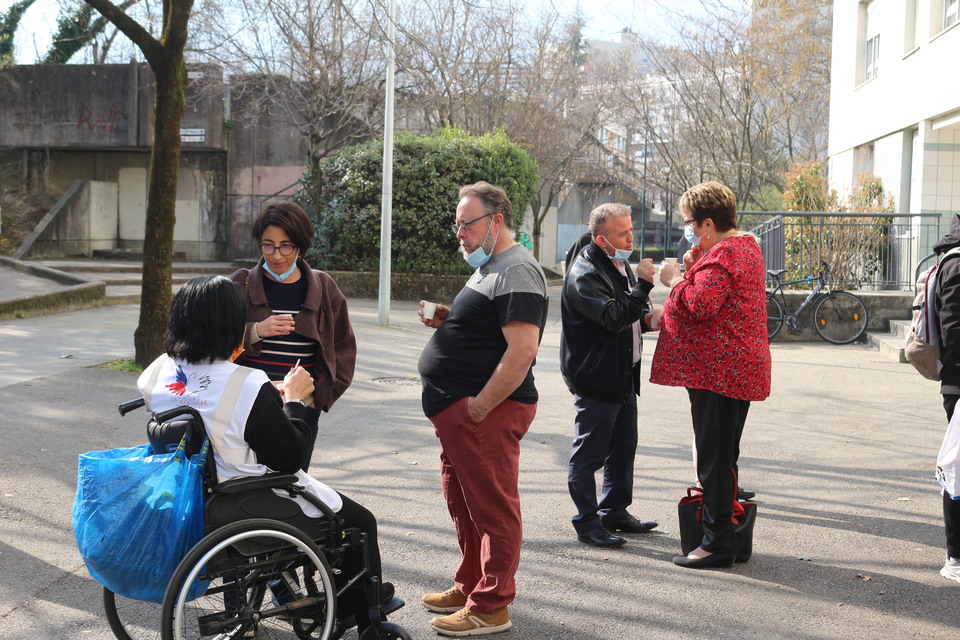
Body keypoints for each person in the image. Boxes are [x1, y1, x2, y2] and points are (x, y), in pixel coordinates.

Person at [137, 275, 388, 635]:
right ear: (229, 326)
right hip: (245, 496)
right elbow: (289, 457)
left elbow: (206, 401)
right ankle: (361, 611)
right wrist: (295, 400)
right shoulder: (247, 382)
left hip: (187, 493)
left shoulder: (157, 371)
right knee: (360, 522)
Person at [416, 182, 549, 636]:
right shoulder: (491, 266)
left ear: (495, 221)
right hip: (460, 414)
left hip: (485, 413)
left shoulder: (517, 269)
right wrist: (449, 321)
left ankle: (491, 606)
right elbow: (491, 328)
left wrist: (477, 409)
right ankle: (472, 583)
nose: (460, 234)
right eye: (457, 226)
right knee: (465, 502)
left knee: (492, 509)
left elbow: (522, 350)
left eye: (466, 225)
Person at [651, 181, 771, 569]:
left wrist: (672, 279)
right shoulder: (743, 247)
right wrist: (692, 268)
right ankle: (724, 538)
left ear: (706, 223)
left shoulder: (724, 254)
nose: (687, 229)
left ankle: (716, 543)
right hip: (735, 369)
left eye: (689, 222)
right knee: (724, 456)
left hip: (718, 372)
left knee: (714, 460)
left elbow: (700, 304)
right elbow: (715, 295)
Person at [229, 201, 356, 472]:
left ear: (300, 246)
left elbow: (344, 347)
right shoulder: (240, 284)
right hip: (244, 405)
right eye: (268, 245)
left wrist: (318, 397)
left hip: (299, 407)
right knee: (241, 479)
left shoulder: (323, 286)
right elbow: (213, 342)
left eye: (286, 246)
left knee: (292, 481)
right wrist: (255, 331)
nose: (276, 255)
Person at [560, 203, 659, 548]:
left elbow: (629, 314)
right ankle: (587, 522)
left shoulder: (617, 264)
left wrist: (647, 320)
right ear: (602, 240)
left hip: (621, 373)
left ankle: (614, 511)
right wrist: (644, 287)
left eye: (631, 229)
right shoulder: (584, 272)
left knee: (622, 447)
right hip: (596, 376)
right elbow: (613, 316)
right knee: (589, 455)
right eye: (623, 233)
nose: (631, 237)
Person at [932, 213, 960, 584]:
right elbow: (952, 330)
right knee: (957, 470)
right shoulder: (956, 265)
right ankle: (955, 557)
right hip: (958, 385)